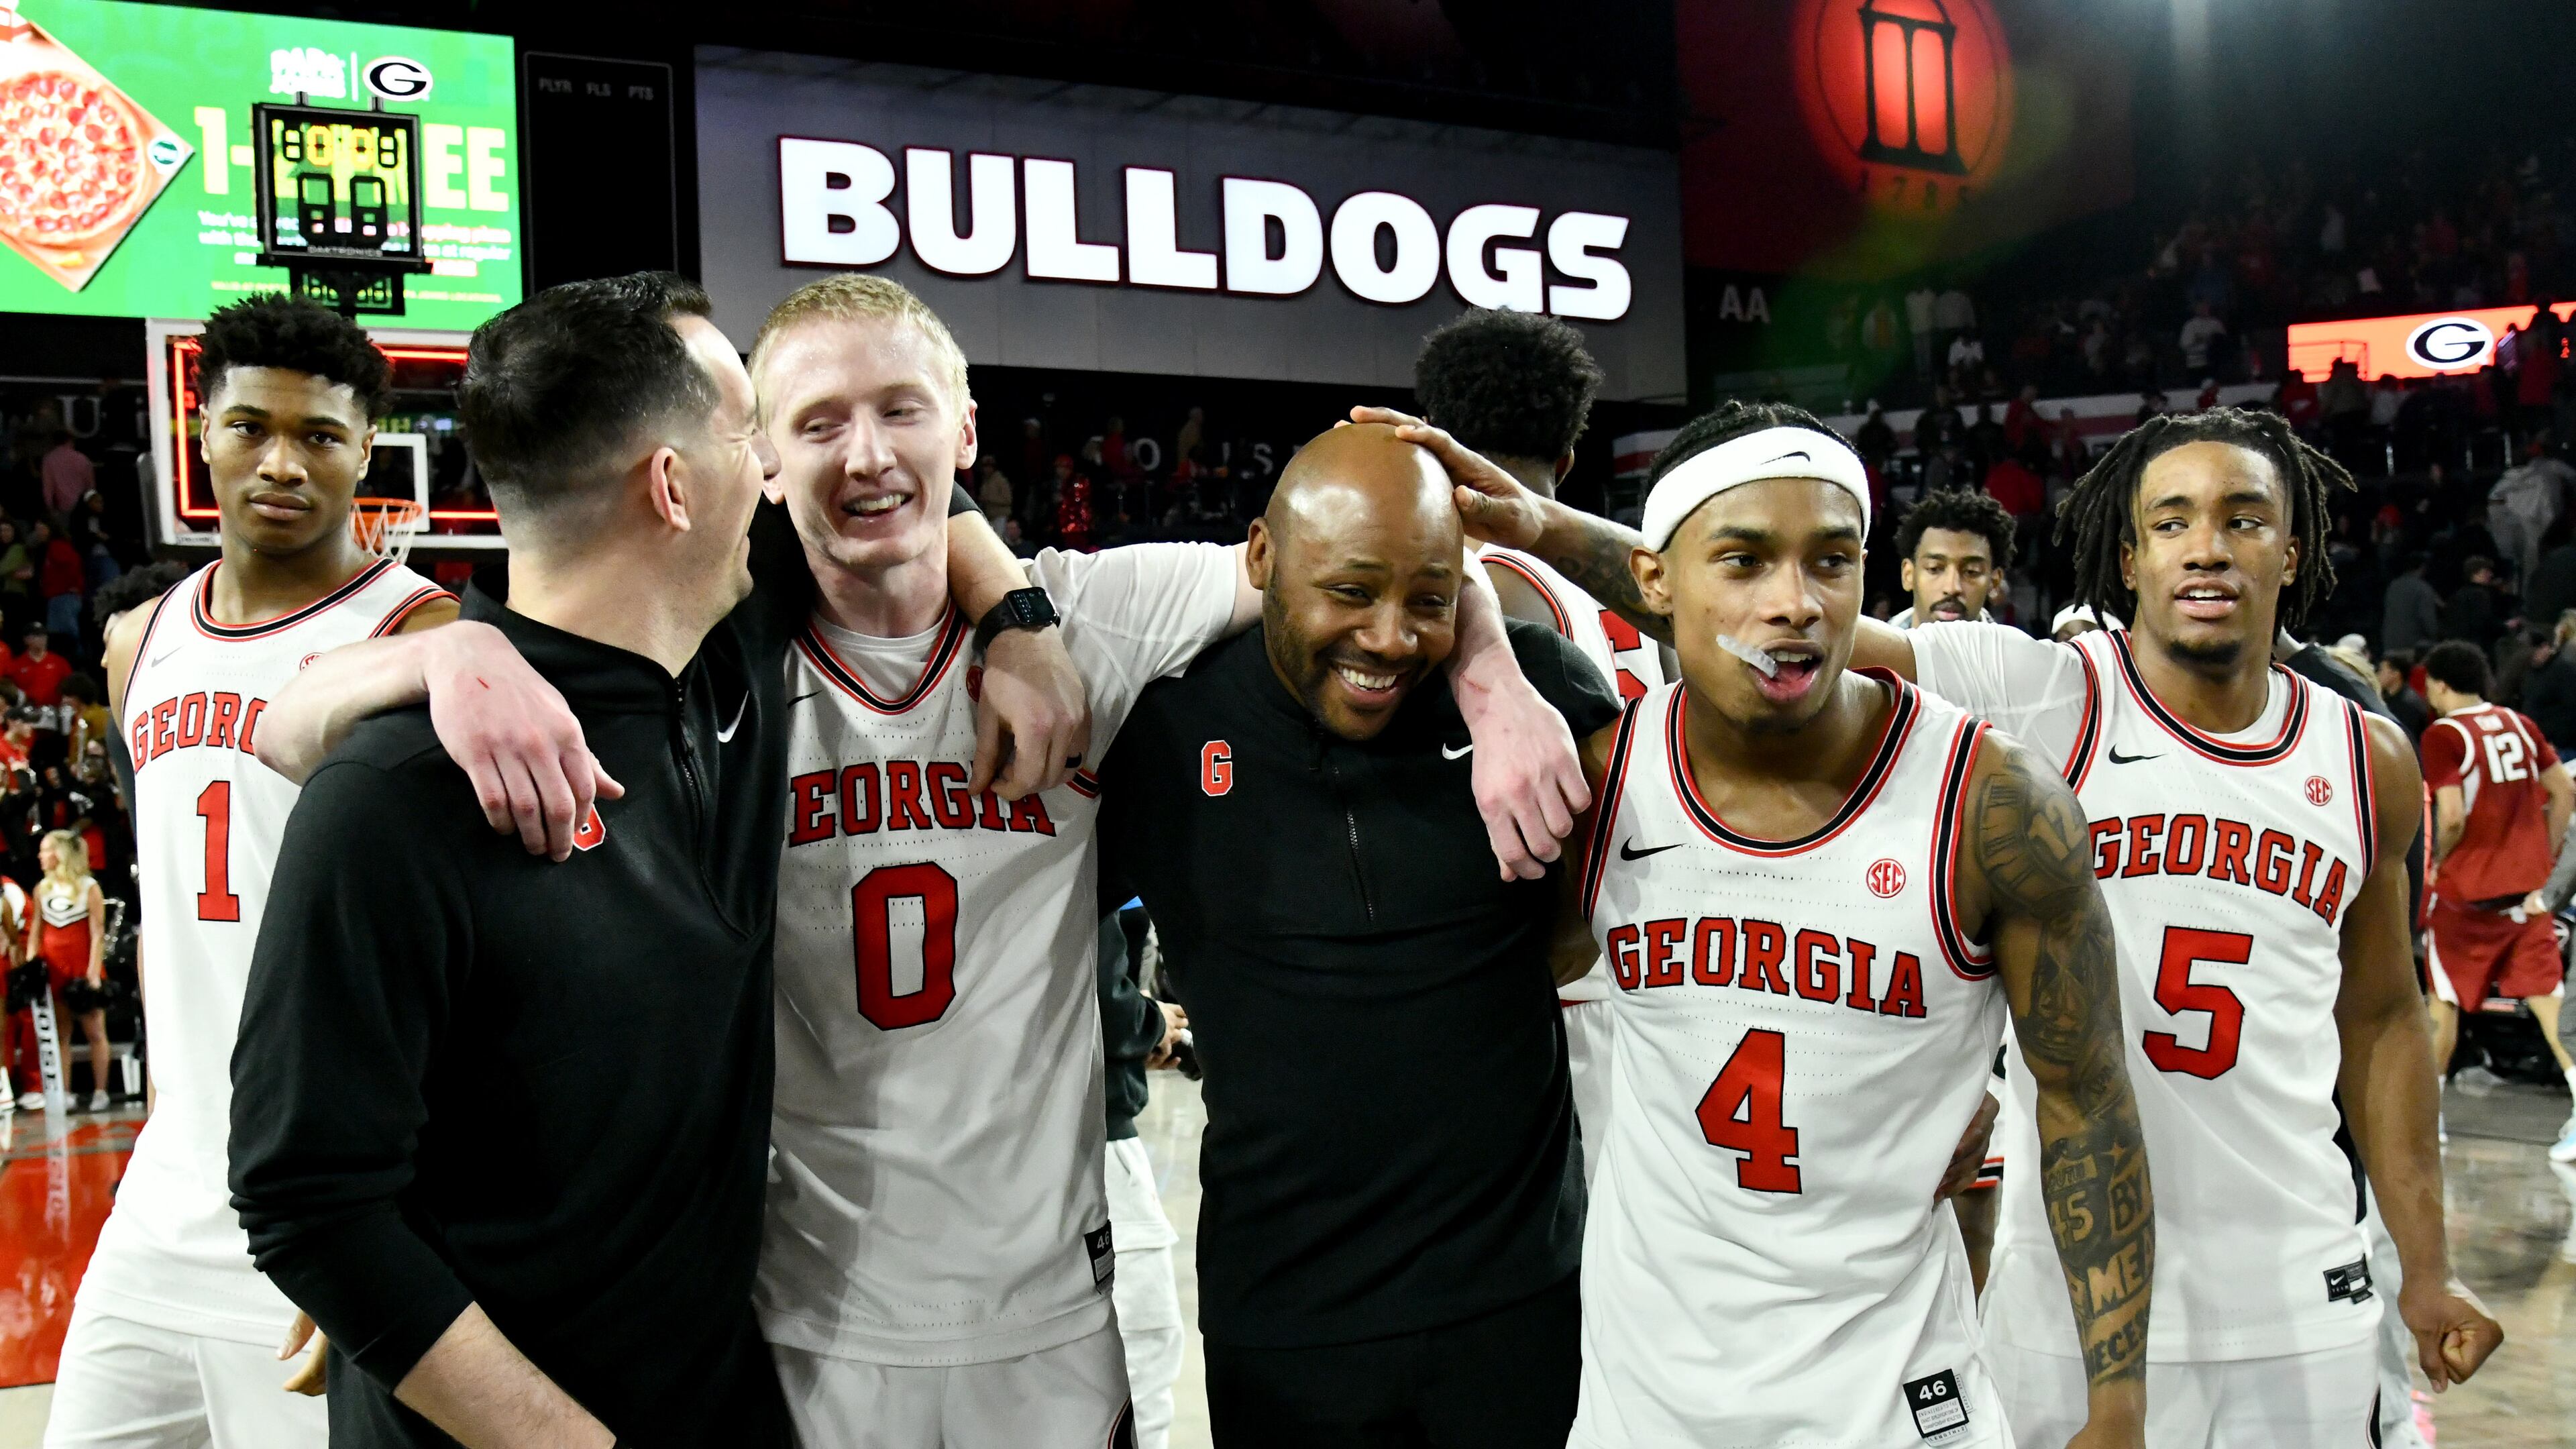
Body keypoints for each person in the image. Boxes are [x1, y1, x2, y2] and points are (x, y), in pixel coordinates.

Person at [1434, 403, 2503, 1446]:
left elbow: (2382, 1018)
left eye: (2244, 519)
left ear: (2296, 544)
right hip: (2036, 1302)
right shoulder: (2043, 692)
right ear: (2125, 559)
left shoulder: (2362, 761)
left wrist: (2429, 1261)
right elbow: (1758, 613)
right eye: (2171, 523)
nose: (2207, 550)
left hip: (2294, 1274)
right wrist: (1539, 537)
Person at [227, 273, 1072, 1449]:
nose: (775, 469)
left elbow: (907, 498)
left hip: (719, 1397)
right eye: (747, 435)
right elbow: (305, 1204)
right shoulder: (395, 798)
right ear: (673, 487)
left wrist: (1021, 623)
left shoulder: (727, 654)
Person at [744, 279, 1549, 1447]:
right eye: (819, 424)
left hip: (1050, 1316)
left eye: (903, 411)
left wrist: (1492, 676)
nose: (867, 456)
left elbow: (1363, 551)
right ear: (761, 454)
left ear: (966, 432)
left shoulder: (1099, 616)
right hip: (808, 1314)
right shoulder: (714, 672)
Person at [1493, 400, 2155, 1448]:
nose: (1795, 604)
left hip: (1894, 1398)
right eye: (1745, 563)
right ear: (1657, 584)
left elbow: (2088, 1102)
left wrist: (2116, 1399)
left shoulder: (1996, 805)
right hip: (1647, 1394)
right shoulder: (1603, 779)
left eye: (1831, 561)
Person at [1095, 423, 1615, 1448]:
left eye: (1428, 600)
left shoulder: (1540, 696)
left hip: (1520, 1305)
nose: (1387, 638)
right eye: (1349, 593)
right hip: (1286, 1322)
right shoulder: (1160, 728)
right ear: (1260, 559)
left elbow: (1593, 932)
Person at [44, 294, 454, 1449]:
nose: (282, 462)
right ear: (203, 435)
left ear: (367, 447)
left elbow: (466, 961)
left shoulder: (424, 642)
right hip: (162, 1197)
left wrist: (392, 1230)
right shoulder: (137, 643)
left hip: (323, 1209)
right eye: (250, 428)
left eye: (320, 436)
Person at [1413, 305, 1664, 1182]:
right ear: (1566, 455)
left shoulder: (1468, 584)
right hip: (1650, 976)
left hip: (1534, 988)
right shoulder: (1641, 585)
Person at [2417, 641, 2576, 1130]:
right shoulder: (2520, 724)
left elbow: (2451, 816)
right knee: (2549, 1002)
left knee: (2443, 1001)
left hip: (2467, 897)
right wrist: (2545, 861)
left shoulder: (2443, 734)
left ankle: (2428, 1119)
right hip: (2526, 896)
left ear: (2440, 685)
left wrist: (2438, 863)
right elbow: (2564, 792)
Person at [1095, 906, 1187, 1449]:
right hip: (1097, 1149)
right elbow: (1104, 1000)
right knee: (1140, 1364)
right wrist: (1151, 1022)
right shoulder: (1076, 842)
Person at [13, 829, 107, 1113]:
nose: (40, 856)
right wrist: (31, 965)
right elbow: (37, 931)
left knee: (94, 1030)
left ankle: (100, 1091)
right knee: (61, 1032)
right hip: (54, 970)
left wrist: (93, 972)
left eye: (45, 850)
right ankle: (65, 1092)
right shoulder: (42, 889)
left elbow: (97, 932)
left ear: (60, 854)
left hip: (83, 968)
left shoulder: (89, 886)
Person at [1888, 488, 2014, 627]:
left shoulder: (2015, 649)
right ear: (1908, 575)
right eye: (1934, 569)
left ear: (1994, 582)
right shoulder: (1864, 648)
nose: (1952, 588)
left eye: (1971, 572)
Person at [2519, 625, 2576, 751]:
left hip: (2560, 747)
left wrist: (2558, 742)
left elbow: (2571, 710)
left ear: (2545, 647)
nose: (2531, 658)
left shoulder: (2564, 671)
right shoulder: (2531, 672)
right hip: (2536, 743)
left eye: (2534, 653)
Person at [2441, 555, 2508, 648]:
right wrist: (2506, 626)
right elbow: (2484, 623)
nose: (2491, 575)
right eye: (2486, 571)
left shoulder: (2458, 594)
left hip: (2457, 646)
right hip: (2476, 648)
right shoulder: (2479, 595)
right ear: (2475, 573)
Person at [2384, 553, 2441, 655]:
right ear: (2423, 568)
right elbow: (2427, 619)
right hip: (2413, 645)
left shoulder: (2393, 586)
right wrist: (2437, 637)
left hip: (2391, 642)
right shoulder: (2423, 588)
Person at [2375, 649, 2434, 744]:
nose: (2378, 674)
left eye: (2382, 670)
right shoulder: (2389, 697)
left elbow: (2406, 740)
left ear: (2396, 674)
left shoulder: (2408, 704)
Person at [11, 623, 70, 709]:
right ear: (26, 639)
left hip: (54, 711)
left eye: (44, 635)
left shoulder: (59, 662)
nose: (42, 639)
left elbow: (70, 688)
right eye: (37, 635)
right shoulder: (17, 664)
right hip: (26, 712)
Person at [42, 430, 93, 520]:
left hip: (62, 508)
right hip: (82, 507)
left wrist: (51, 509)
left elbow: (48, 488)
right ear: (70, 441)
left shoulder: (49, 460)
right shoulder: (83, 459)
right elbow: (90, 486)